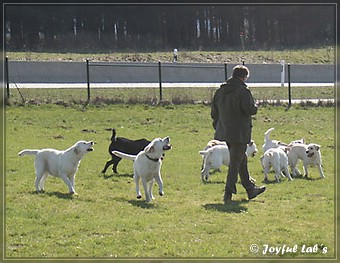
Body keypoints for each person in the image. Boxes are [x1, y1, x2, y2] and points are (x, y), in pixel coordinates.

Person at [211, 65, 266, 203]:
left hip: (225, 131)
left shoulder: (220, 91)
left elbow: (214, 113)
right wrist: (256, 105)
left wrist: (219, 125)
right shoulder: (243, 91)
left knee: (241, 160)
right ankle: (228, 194)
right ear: (243, 77)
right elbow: (250, 110)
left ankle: (250, 189)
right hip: (240, 132)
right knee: (235, 164)